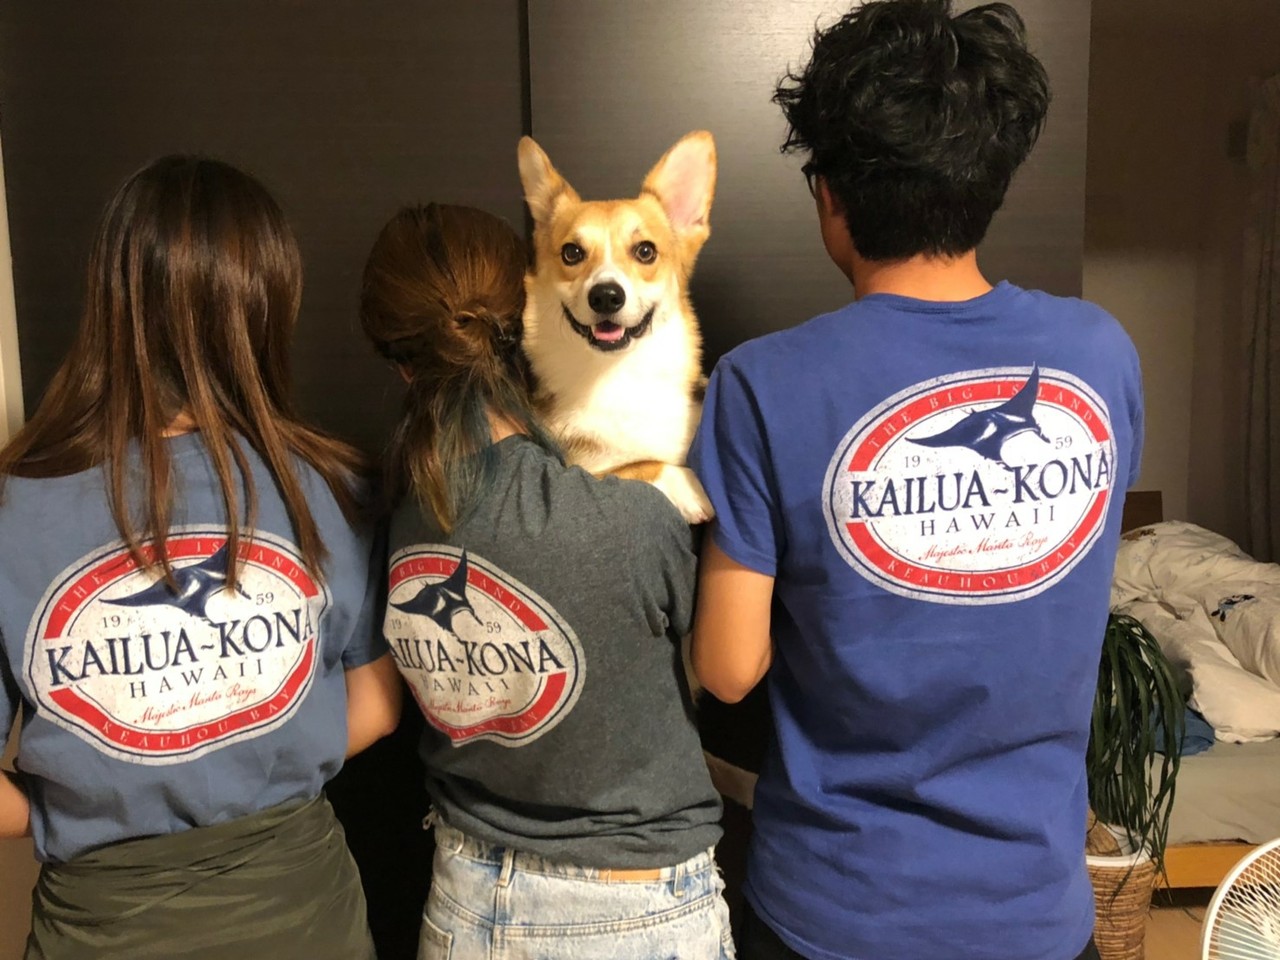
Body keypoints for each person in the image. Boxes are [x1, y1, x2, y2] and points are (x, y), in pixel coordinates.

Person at [687, 2, 1142, 959]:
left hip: (835, 910)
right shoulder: (1099, 357)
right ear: (990, 181)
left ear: (830, 197)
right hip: (1035, 915)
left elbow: (728, 669)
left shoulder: (762, 384)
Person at [0, 156, 402, 959]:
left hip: (104, 929)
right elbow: (378, 705)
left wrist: (72, 808)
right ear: (266, 303)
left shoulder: (14, 506)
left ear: (109, 300)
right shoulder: (331, 484)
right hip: (306, 921)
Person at [359, 202, 733, 960]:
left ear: (398, 362)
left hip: (460, 903)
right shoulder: (632, 520)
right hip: (636, 909)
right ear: (528, 316)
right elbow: (723, 667)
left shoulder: (384, 517)